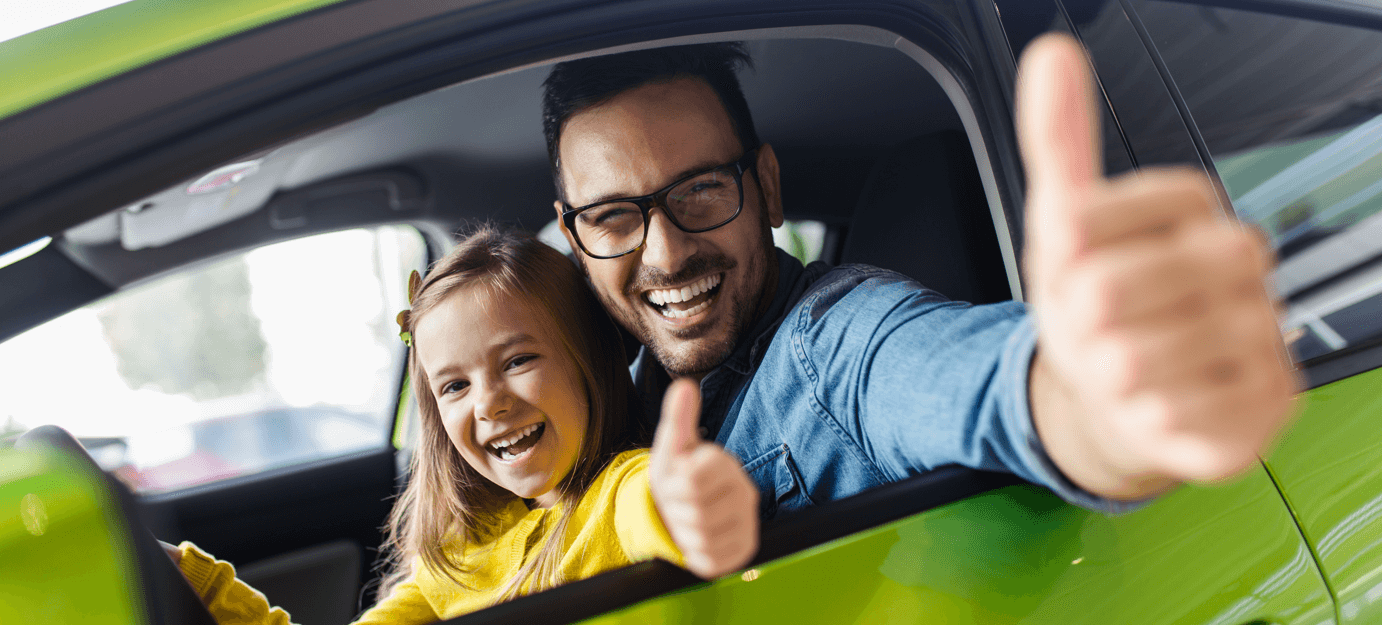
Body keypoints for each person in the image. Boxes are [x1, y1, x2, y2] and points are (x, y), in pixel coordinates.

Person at [542, 34, 1298, 516]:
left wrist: (1102, 402)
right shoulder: (604, 401)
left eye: (701, 189)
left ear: (767, 187)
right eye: (613, 216)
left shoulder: (832, 346)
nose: (667, 253)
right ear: (575, 237)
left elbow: (969, 379)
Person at [163, 226, 759, 623]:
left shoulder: (615, 496)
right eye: (455, 386)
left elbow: (648, 505)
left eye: (518, 361)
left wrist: (683, 503)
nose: (489, 403)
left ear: (592, 360)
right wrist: (198, 586)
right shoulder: (460, 553)